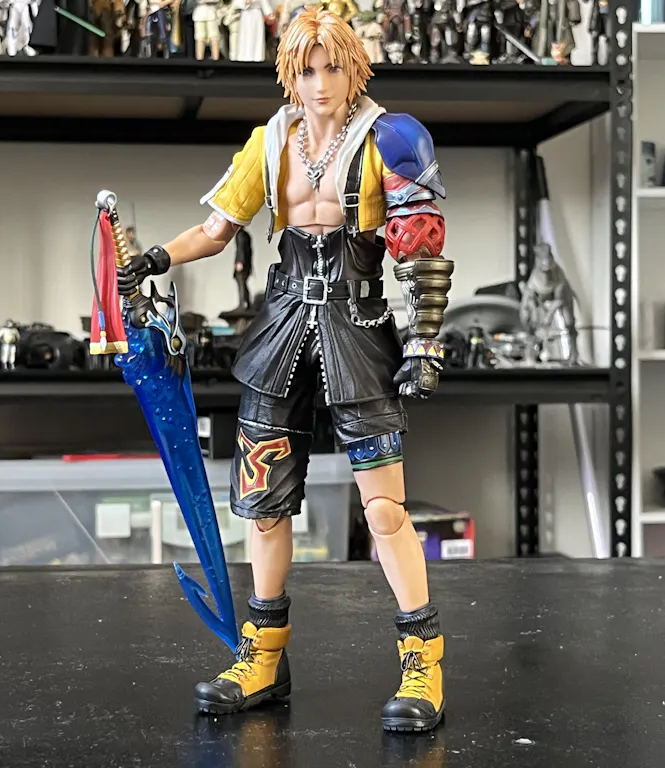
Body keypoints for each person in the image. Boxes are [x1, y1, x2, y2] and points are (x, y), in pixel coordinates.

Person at [117, 6, 453, 732]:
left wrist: (425, 344)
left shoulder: (391, 137)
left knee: (384, 509)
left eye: (333, 67)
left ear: (354, 68)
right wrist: (156, 258)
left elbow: (422, 244)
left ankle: (423, 662)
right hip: (280, 330)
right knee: (262, 502)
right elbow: (216, 229)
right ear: (289, 75)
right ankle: (264, 656)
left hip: (358, 329)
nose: (320, 83)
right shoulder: (270, 142)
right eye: (307, 70)